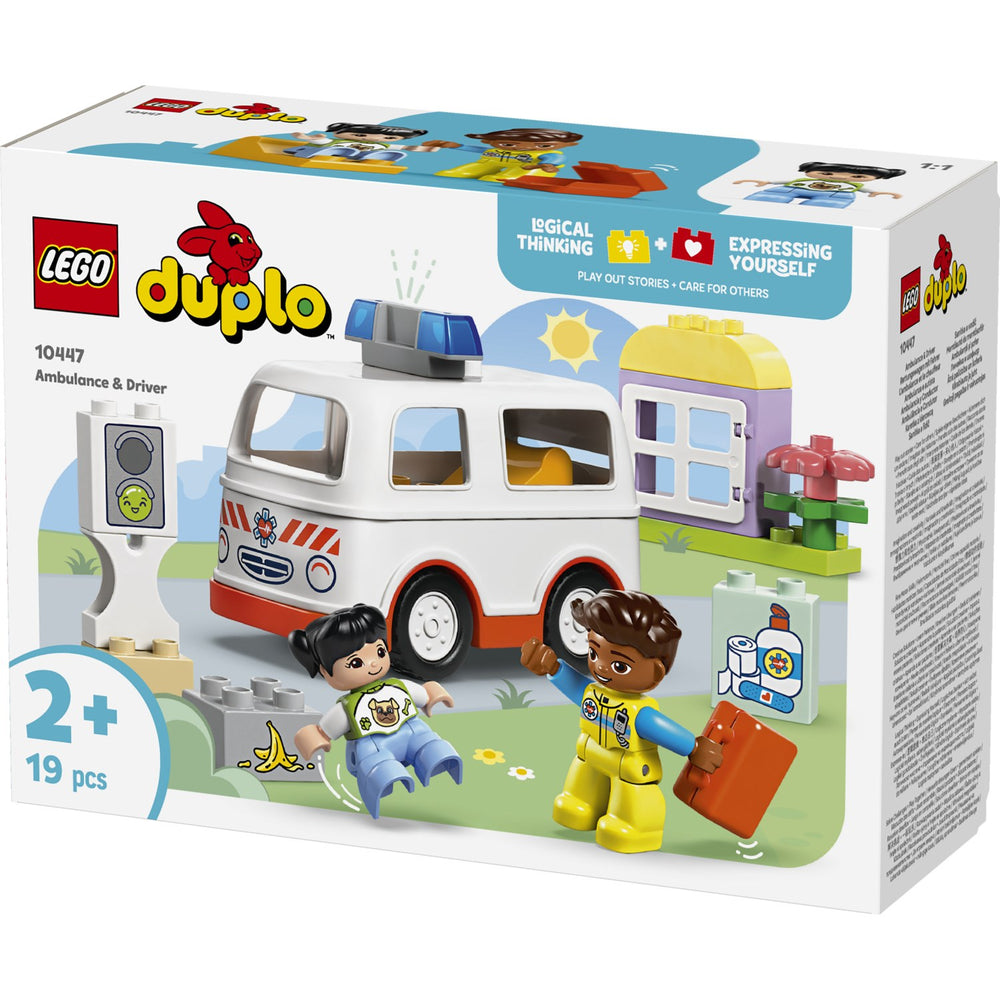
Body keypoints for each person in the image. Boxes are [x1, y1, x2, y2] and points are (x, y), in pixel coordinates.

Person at [521, 589, 723, 853]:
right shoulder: (593, 693)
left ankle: (634, 825)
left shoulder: (640, 713)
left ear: (655, 672)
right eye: (594, 653)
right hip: (590, 755)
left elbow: (663, 729)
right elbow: (576, 688)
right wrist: (553, 668)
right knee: (581, 783)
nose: (601, 667)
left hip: (627, 766)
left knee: (632, 792)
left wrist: (693, 747)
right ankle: (581, 804)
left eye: (620, 666)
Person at [292, 604, 462, 818]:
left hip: (413, 732)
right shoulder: (348, 706)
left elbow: (423, 693)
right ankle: (381, 780)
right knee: (377, 767)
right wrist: (317, 737)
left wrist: (431, 697)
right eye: (356, 662)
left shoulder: (398, 686)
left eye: (379, 652)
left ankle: (434, 758)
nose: (372, 663)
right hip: (372, 746)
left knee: (430, 744)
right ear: (325, 671)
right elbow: (325, 730)